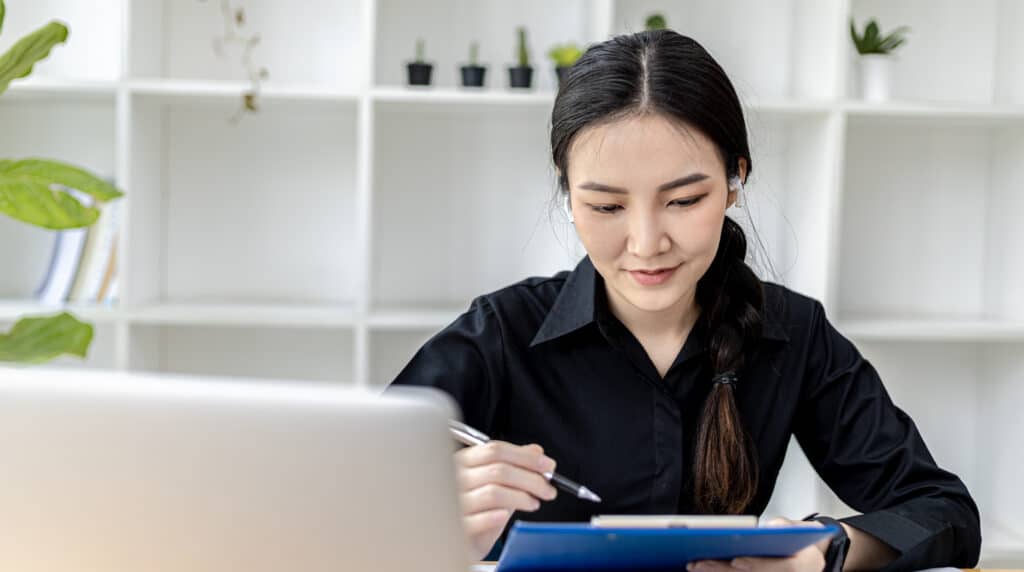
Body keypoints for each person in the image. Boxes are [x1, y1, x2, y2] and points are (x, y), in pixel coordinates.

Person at [389, 30, 980, 571]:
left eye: (683, 200)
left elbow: (941, 510)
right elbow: (339, 505)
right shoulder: (499, 332)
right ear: (568, 197)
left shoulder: (793, 332)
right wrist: (430, 529)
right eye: (607, 207)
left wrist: (826, 551)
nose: (647, 245)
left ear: (734, 180)